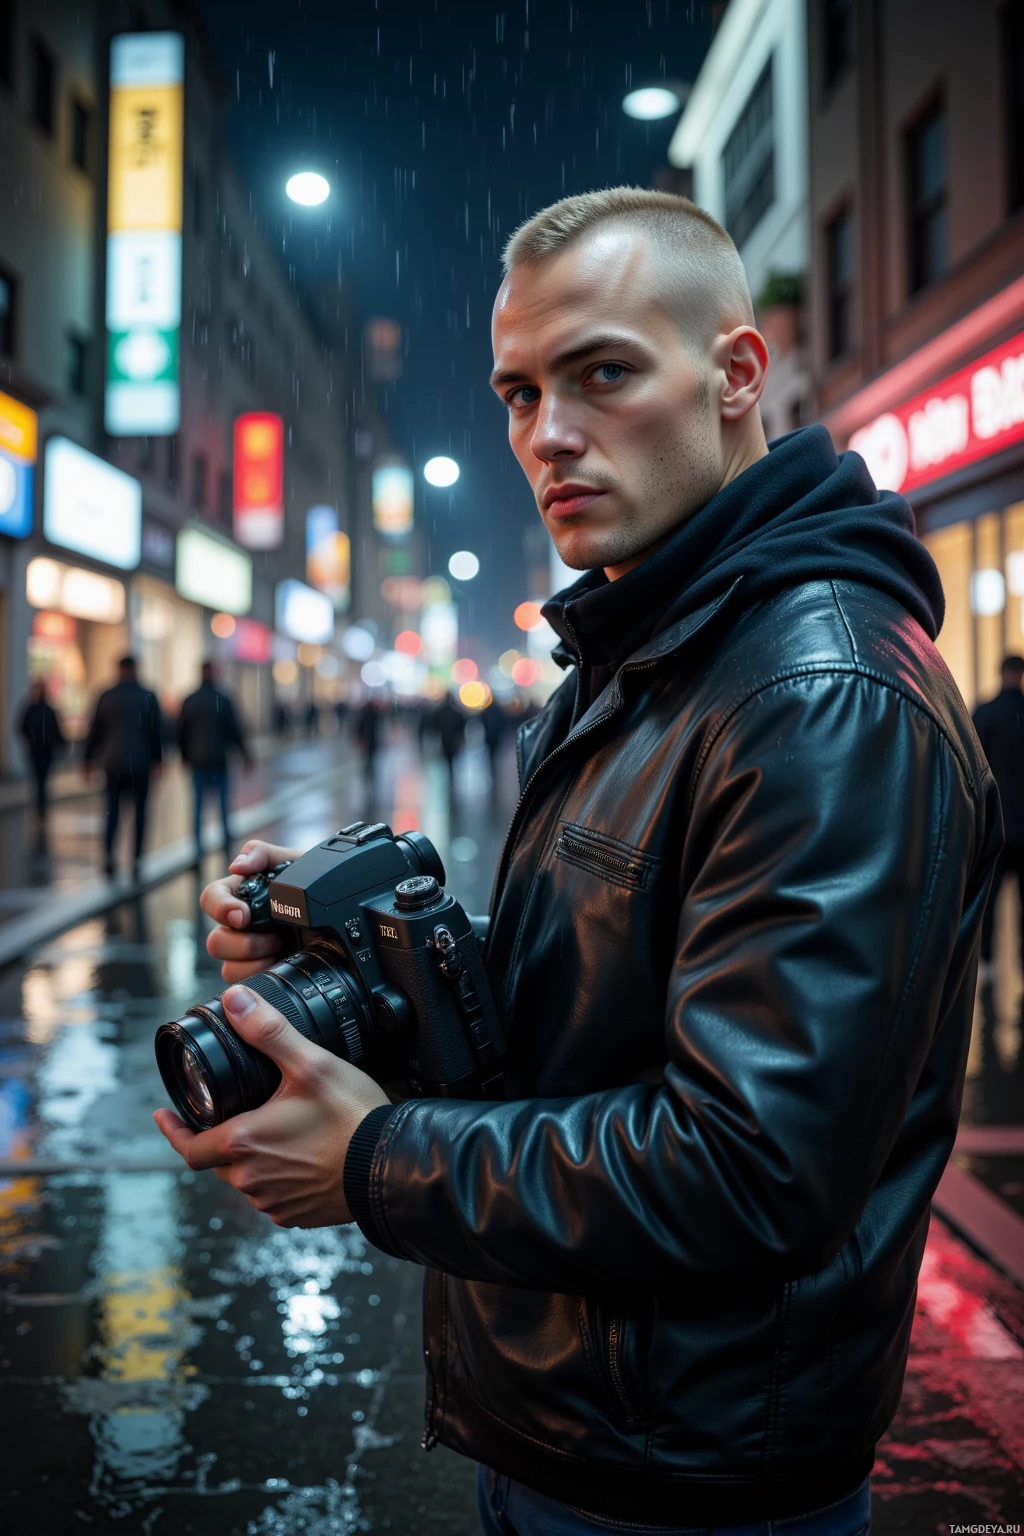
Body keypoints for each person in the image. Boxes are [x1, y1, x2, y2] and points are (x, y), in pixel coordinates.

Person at [157, 189, 1000, 1536]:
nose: (547, 435)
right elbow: (596, 1011)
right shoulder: (657, 647)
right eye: (516, 392)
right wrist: (359, 965)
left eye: (603, 373)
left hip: (689, 1478)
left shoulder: (818, 694)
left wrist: (376, 1161)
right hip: (583, 1427)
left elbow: (751, 1169)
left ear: (734, 377)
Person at [84, 655, 163, 878]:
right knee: (140, 814)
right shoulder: (148, 696)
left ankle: (109, 856)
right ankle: (136, 860)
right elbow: (157, 732)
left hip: (113, 764)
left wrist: (87, 760)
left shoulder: (106, 695)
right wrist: (158, 761)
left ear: (119, 670)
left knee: (112, 813)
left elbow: (95, 730)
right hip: (140, 764)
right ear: (136, 669)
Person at [972, 652, 1024, 976]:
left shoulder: (986, 713)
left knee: (989, 899)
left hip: (996, 825)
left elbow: (975, 770)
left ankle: (988, 961)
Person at [176, 662, 252, 857]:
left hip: (198, 761)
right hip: (219, 761)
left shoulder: (191, 700)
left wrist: (185, 757)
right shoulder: (223, 699)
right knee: (224, 808)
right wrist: (245, 755)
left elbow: (180, 732)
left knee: (198, 807)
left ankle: (197, 848)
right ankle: (227, 846)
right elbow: (235, 730)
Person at [18, 679, 66, 821]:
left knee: (38, 779)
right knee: (42, 779)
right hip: (45, 750)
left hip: (36, 750)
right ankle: (41, 805)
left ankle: (40, 805)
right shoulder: (47, 710)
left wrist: (31, 739)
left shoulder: (32, 709)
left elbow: (22, 727)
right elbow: (57, 731)